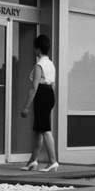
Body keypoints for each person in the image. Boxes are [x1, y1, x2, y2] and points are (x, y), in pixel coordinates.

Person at [20, 34, 58, 171]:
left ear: (37, 49)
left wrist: (26, 107)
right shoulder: (51, 64)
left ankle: (53, 161)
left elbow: (34, 87)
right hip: (49, 94)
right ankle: (33, 161)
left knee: (45, 130)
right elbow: (53, 84)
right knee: (38, 130)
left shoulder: (39, 65)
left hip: (42, 95)